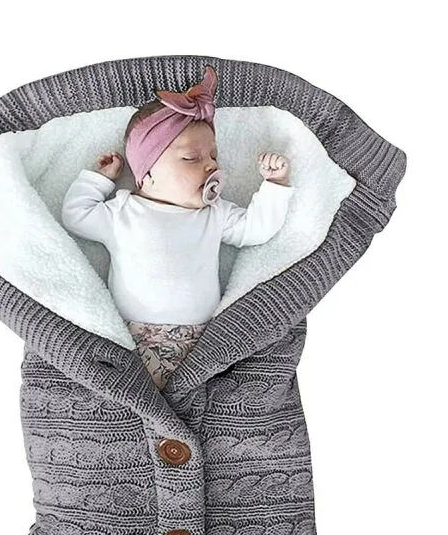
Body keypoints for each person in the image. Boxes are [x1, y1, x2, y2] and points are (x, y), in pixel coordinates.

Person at [61, 65, 295, 389]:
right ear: (147, 174)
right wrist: (100, 179)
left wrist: (275, 185)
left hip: (201, 342)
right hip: (130, 339)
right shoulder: (123, 211)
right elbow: (75, 215)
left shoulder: (214, 214)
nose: (211, 165)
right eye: (191, 158)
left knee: (201, 397)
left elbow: (256, 229)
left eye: (213, 156)